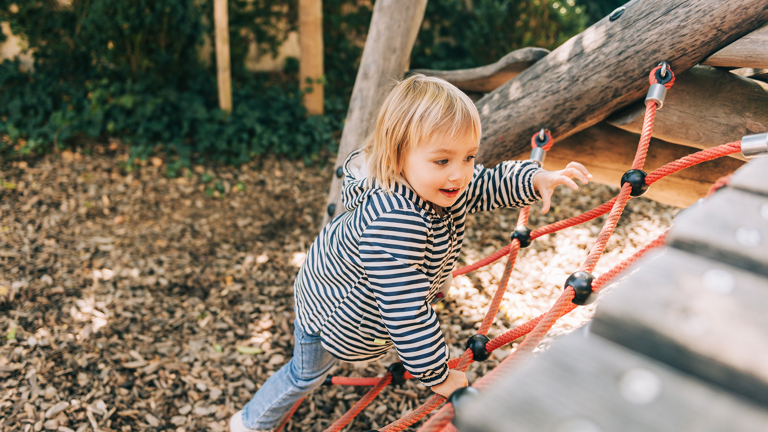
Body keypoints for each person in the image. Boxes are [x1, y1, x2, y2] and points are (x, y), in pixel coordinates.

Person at [230, 74, 591, 432]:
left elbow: (484, 182)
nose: (460, 173)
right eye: (442, 161)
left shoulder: (438, 183)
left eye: (468, 156)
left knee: (408, 277)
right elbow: (405, 309)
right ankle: (248, 423)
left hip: (361, 289)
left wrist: (533, 179)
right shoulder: (393, 221)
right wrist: (436, 373)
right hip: (330, 314)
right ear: (397, 155)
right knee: (304, 374)